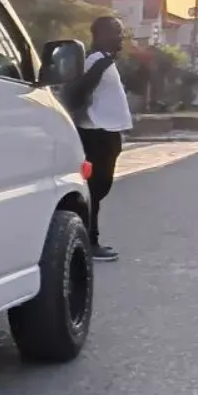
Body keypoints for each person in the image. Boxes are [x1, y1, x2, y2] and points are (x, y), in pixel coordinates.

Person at [72, 15, 132, 262]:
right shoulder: (97, 62)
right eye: (116, 32)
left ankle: (88, 241)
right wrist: (87, 118)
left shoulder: (102, 61)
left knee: (98, 189)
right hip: (97, 134)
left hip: (104, 133)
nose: (121, 37)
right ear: (102, 35)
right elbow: (79, 92)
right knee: (94, 189)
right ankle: (90, 242)